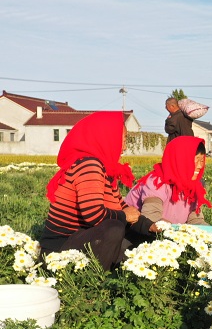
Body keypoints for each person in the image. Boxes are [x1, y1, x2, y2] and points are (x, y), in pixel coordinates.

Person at [39, 111, 142, 270]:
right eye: (123, 140)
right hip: (59, 250)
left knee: (135, 244)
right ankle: (92, 283)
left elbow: (122, 207)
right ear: (106, 138)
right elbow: (94, 215)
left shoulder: (104, 169)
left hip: (81, 239)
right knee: (115, 228)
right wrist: (125, 216)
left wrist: (153, 226)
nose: (124, 147)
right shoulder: (89, 165)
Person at [124, 137, 212, 236]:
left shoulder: (194, 185)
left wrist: (210, 234)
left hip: (167, 234)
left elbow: (195, 219)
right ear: (181, 160)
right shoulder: (157, 182)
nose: (200, 166)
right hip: (136, 234)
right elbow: (152, 219)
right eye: (196, 160)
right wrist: (177, 234)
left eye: (202, 161)